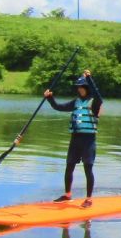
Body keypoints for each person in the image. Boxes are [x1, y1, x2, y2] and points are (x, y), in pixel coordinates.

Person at [44, 69, 104, 207]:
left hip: (88, 141)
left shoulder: (94, 102)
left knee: (88, 169)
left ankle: (89, 199)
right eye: (78, 87)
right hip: (75, 139)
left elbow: (99, 96)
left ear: (87, 88)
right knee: (69, 166)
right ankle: (67, 195)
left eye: (82, 87)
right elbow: (58, 107)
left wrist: (89, 78)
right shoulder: (75, 102)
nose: (79, 89)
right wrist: (49, 98)